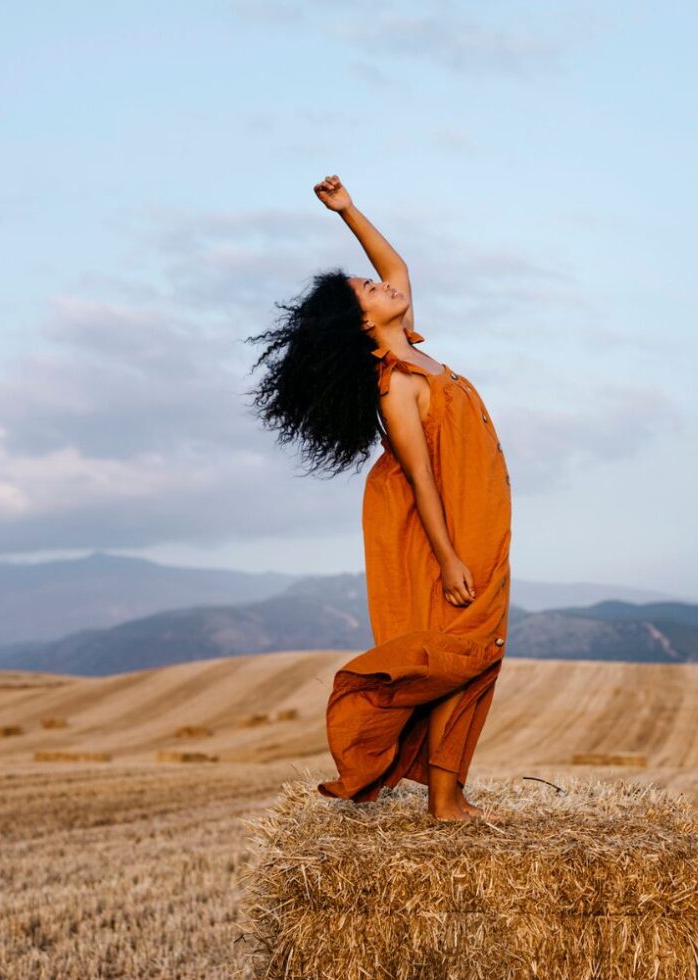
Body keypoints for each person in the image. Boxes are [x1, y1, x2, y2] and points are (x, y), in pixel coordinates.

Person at [244, 174, 512, 822]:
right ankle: (439, 793)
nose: (381, 283)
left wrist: (348, 212)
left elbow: (397, 264)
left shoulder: (413, 346)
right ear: (364, 324)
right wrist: (447, 558)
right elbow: (421, 478)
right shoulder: (396, 388)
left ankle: (449, 794)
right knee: (466, 650)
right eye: (368, 289)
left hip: (484, 509)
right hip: (452, 522)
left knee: (478, 651)